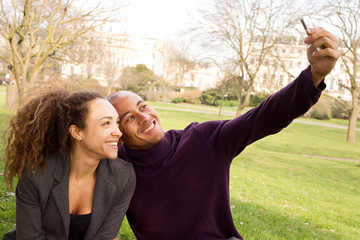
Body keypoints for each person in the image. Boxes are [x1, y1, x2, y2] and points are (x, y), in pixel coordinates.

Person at [107, 27, 339, 240]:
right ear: (118, 134)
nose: (144, 117)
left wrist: (314, 75)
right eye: (129, 117)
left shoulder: (203, 140)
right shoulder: (115, 168)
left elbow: (265, 116)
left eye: (143, 106)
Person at [2, 89, 136, 240]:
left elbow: (104, 236)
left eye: (116, 122)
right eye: (106, 123)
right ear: (77, 132)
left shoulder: (123, 176)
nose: (118, 132)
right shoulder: (36, 173)